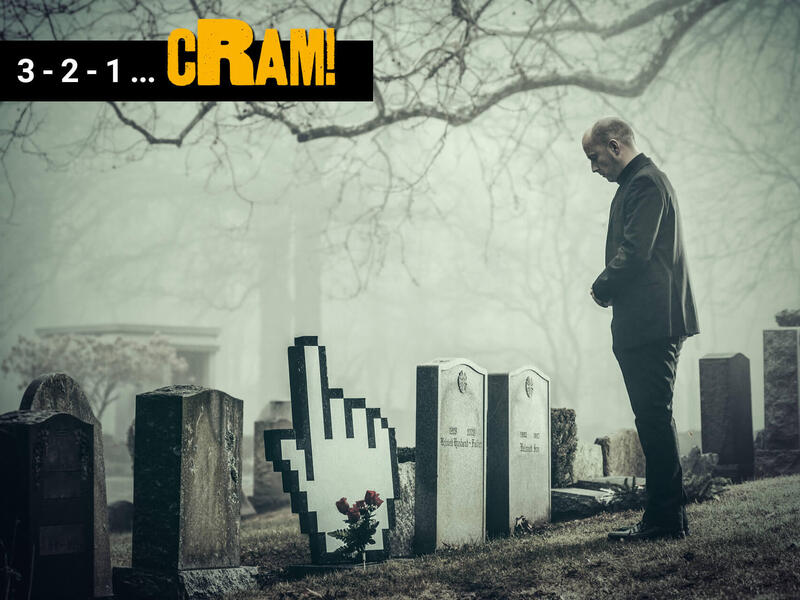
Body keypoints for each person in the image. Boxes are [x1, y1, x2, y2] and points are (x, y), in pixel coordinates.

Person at [582, 117, 699, 541]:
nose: (593, 168)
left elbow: (635, 251)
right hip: (649, 322)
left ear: (614, 146)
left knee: (652, 419)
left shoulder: (646, 183)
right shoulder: (639, 184)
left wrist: (601, 286)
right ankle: (666, 519)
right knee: (653, 419)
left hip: (653, 323)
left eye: (594, 158)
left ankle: (665, 521)